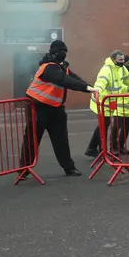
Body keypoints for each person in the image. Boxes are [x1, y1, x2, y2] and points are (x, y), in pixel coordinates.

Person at [20, 40, 93, 177]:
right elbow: (63, 80)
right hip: (37, 107)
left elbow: (75, 79)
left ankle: (69, 167)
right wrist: (86, 88)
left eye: (65, 51)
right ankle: (24, 170)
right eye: (60, 51)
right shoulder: (48, 67)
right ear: (52, 53)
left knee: (61, 139)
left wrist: (90, 88)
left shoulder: (62, 67)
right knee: (32, 138)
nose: (63, 54)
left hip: (55, 108)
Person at [85, 50, 129, 157]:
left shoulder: (121, 68)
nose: (122, 62)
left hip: (110, 101)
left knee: (103, 125)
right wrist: (97, 90)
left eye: (123, 60)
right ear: (113, 59)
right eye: (120, 60)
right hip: (101, 101)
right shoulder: (106, 70)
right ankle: (102, 151)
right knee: (104, 126)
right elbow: (101, 81)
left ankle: (92, 149)